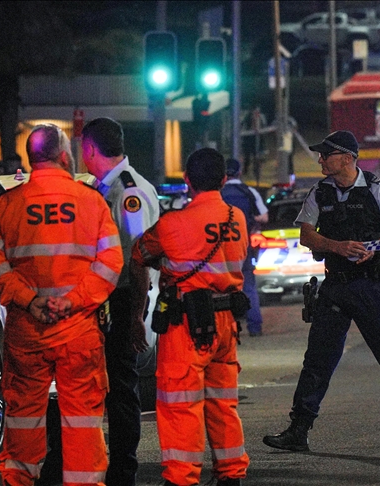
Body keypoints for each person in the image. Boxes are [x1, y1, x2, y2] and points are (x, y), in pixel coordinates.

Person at [262, 130, 380, 452]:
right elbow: (307, 236)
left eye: (327, 154)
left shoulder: (378, 188)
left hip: (371, 286)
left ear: (348, 159)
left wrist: (375, 247)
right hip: (335, 286)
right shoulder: (320, 192)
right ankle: (299, 430)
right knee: (317, 361)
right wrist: (336, 246)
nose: (321, 159)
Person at [0, 124, 123, 485]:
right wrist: (72, 302)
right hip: (77, 330)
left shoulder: (7, 204)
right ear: (64, 156)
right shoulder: (91, 202)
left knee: (23, 418)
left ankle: (19, 480)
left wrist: (31, 301)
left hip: (27, 331)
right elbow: (110, 264)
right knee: (81, 420)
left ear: (31, 160)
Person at [131, 147, 249, 486]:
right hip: (226, 325)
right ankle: (231, 474)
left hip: (185, 326)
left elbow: (139, 256)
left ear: (186, 181)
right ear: (224, 179)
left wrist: (137, 313)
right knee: (223, 405)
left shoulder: (172, 224)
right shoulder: (236, 218)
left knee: (180, 406)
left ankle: (182, 479)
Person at [81, 116, 161, 486]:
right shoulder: (106, 189)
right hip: (110, 298)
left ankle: (123, 471)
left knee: (122, 389)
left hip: (125, 297)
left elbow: (138, 257)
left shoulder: (128, 192)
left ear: (90, 149)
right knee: (109, 386)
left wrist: (135, 316)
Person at [220, 158, 268, 336]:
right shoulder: (248, 192)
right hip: (243, 246)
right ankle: (254, 327)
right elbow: (263, 217)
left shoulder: (218, 193)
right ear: (240, 173)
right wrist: (248, 220)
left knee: (222, 288)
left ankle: (226, 329)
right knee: (248, 285)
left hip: (219, 247)